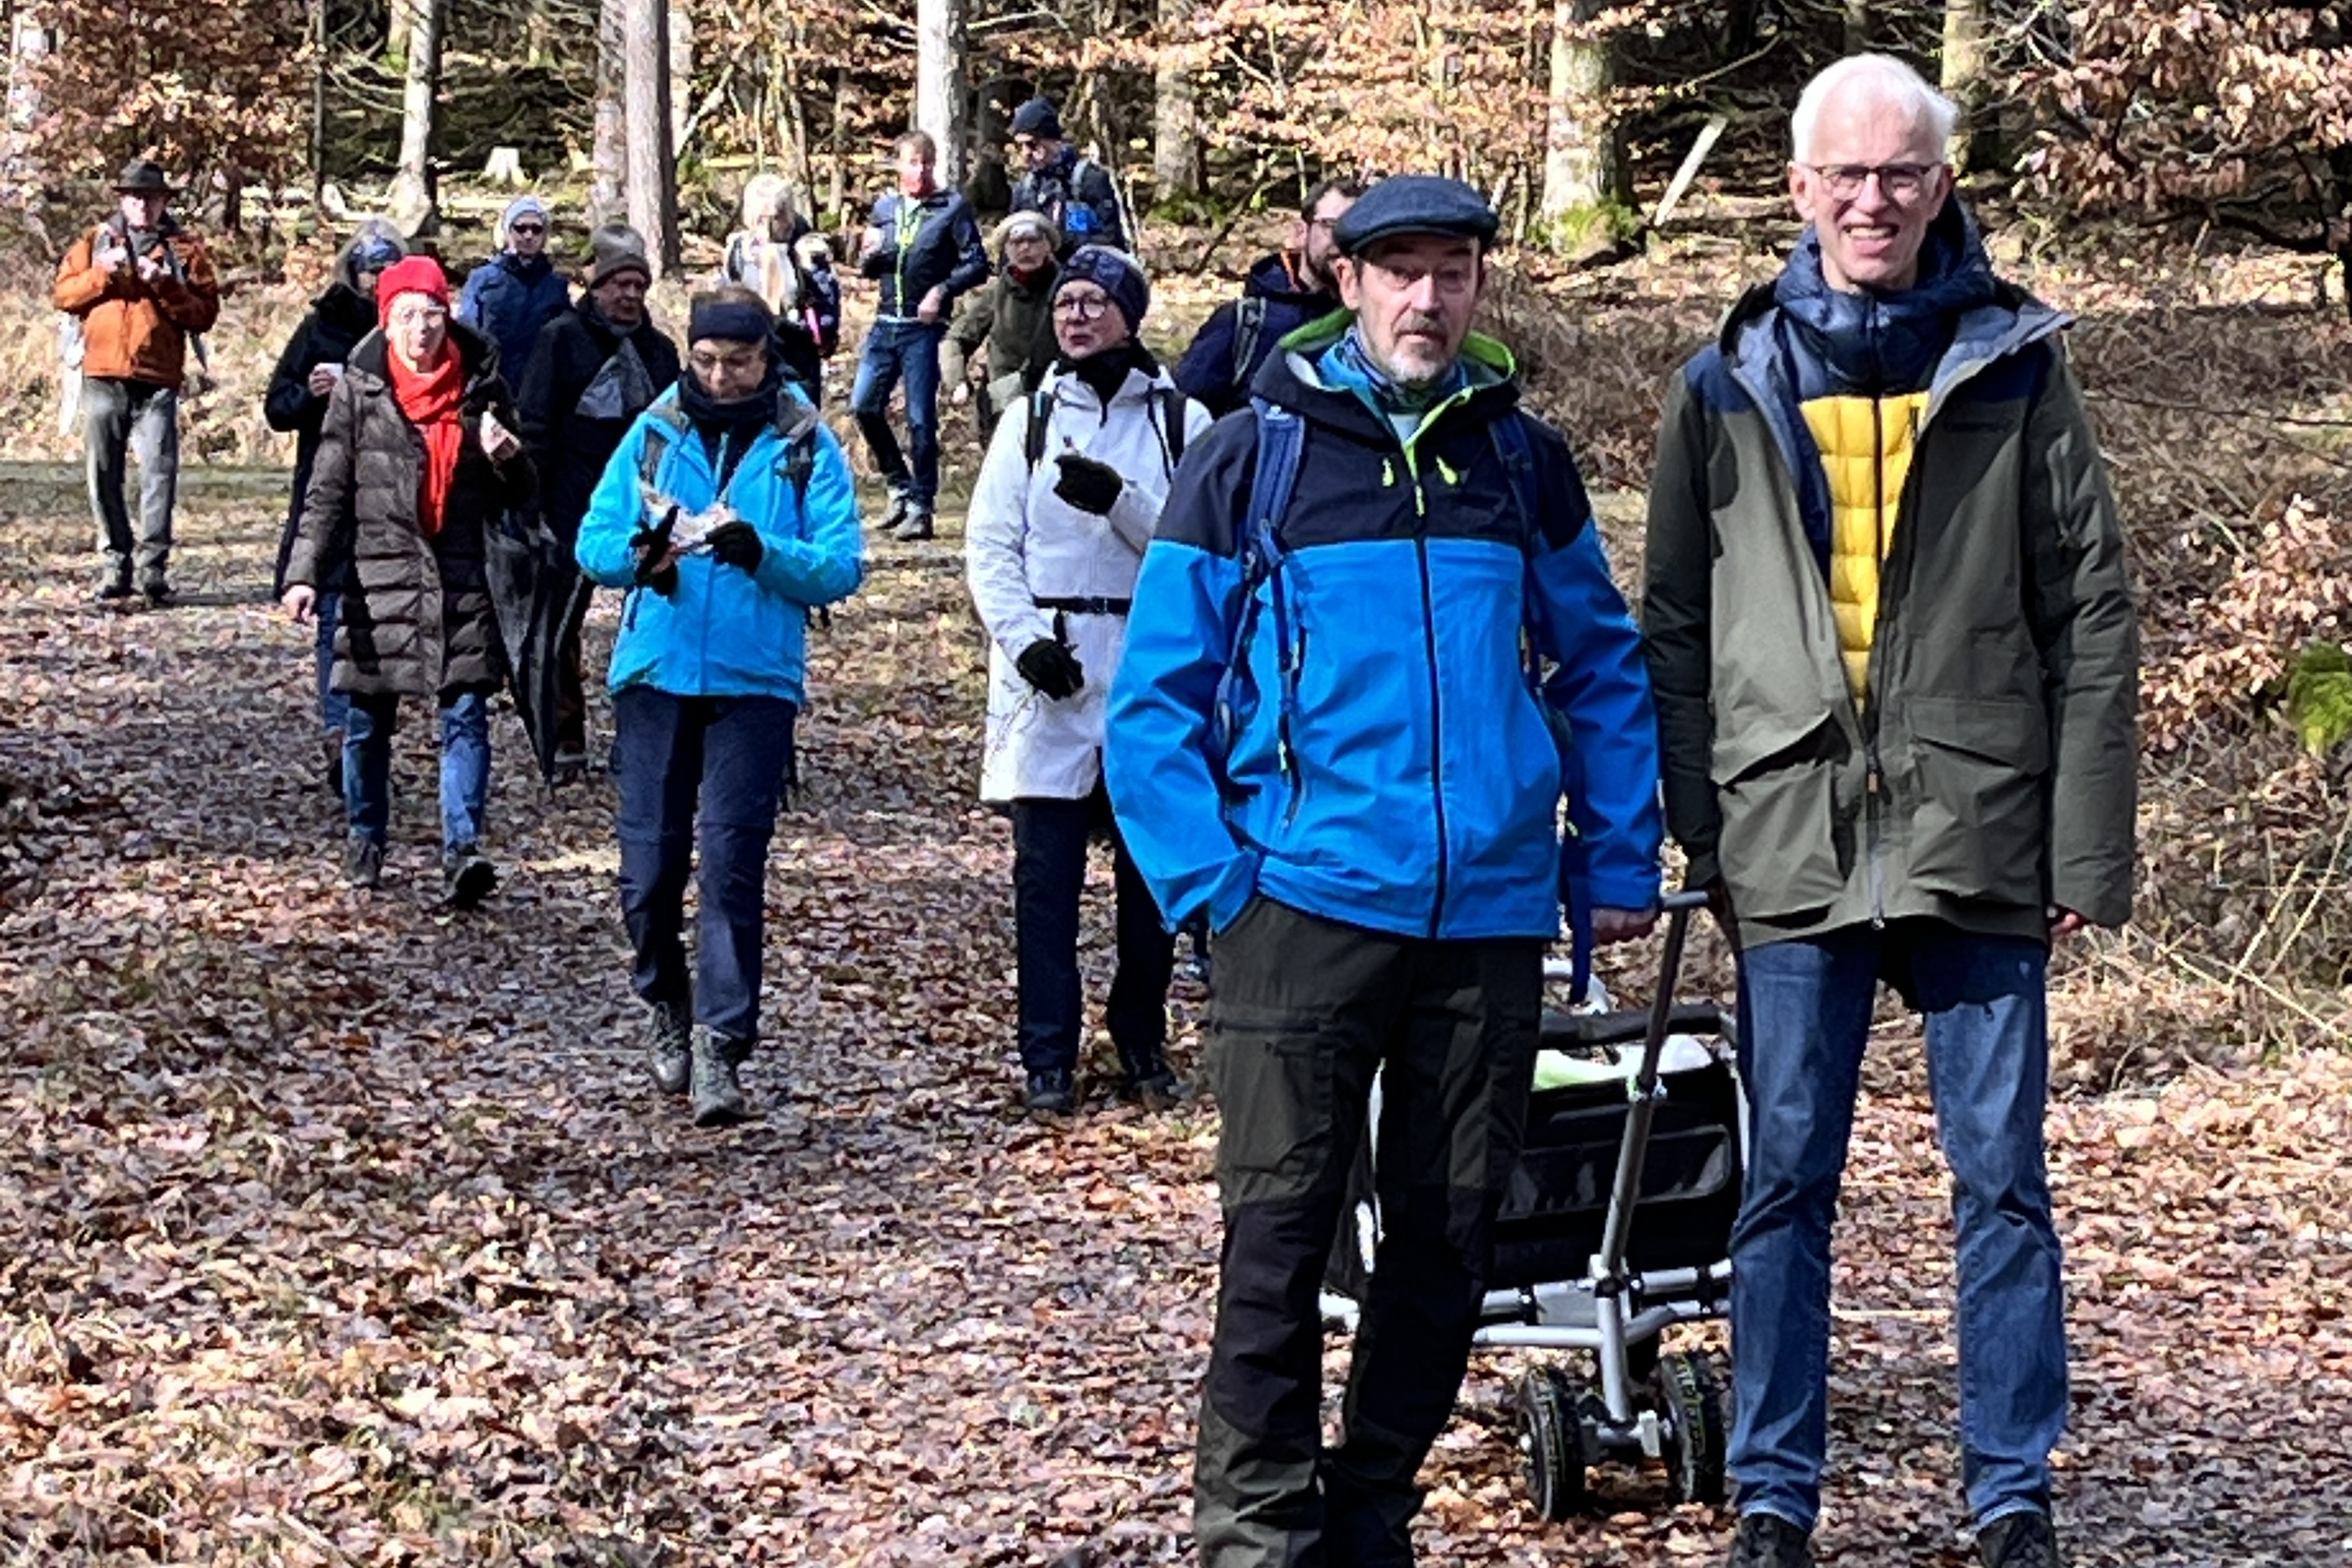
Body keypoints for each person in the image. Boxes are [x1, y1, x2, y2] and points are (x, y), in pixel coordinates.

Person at [1105, 176, 1664, 1567]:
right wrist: (1212, 888)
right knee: (1277, 1238)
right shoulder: (1252, 458)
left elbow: (1596, 660)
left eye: (1453, 272)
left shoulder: (1519, 462)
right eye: (1397, 270)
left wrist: (1611, 852)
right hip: (1294, 907)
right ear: (1342, 280)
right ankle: (1255, 1529)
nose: (1426, 298)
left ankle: (1369, 1513)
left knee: (1445, 1242)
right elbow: (1153, 703)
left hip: (1481, 916)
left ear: (1481, 286)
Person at [1640, 55, 2137, 1568]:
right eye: (1846, 176)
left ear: (1940, 183)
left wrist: (2084, 846)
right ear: (1798, 190)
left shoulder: (2019, 365)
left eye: (1902, 173)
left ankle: (2012, 1495)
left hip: (1978, 827)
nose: (1873, 200)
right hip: (1792, 833)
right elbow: (1671, 620)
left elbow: (2096, 611)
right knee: (1784, 1176)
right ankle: (1777, 1496)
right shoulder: (1724, 379)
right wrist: (1704, 831)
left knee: (2002, 1182)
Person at [575, 287, 865, 1127]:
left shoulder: (805, 441)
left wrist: (764, 552)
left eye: (737, 361)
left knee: (732, 866)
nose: (721, 375)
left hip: (755, 679)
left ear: (765, 358)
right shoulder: (656, 432)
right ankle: (664, 999)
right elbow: (592, 540)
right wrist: (642, 557)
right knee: (649, 872)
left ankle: (720, 1044)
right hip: (656, 670)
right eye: (706, 360)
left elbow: (842, 564)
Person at [967, 246, 1210, 1115]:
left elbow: (1199, 551)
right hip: (1050, 670)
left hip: (1147, 666)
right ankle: (1046, 1053)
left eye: (1094, 301)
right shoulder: (1026, 420)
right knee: (1046, 880)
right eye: (1065, 301)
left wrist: (1121, 501)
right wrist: (1026, 639)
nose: (1074, 315)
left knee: (1149, 882)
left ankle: (1141, 1036)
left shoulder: (1185, 423)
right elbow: (990, 546)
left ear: (1130, 313)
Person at [281, 256, 534, 905]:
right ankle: (366, 839)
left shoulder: (484, 386)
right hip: (378, 573)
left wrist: (508, 458)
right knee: (367, 722)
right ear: (386, 323)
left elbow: (522, 491)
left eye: (433, 314)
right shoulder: (360, 393)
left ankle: (463, 850)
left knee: (466, 713)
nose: (423, 329)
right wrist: (303, 575)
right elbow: (326, 491)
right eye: (408, 316)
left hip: (460, 572)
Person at [515, 223, 682, 781]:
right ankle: (563, 740)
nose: (629, 295)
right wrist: (532, 501)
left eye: (638, 284)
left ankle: (643, 739)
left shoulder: (660, 353)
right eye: (618, 284)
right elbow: (535, 424)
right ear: (595, 285)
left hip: (650, 508)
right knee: (561, 627)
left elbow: (678, 433)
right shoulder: (560, 340)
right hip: (572, 504)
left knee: (655, 618)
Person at [264, 219, 407, 793]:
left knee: (386, 616)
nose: (377, 281)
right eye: (370, 269)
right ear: (352, 271)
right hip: (327, 486)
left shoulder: (414, 328)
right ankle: (337, 730)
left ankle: (369, 736)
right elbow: (277, 407)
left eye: (388, 270)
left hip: (394, 486)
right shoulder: (319, 327)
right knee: (331, 612)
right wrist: (312, 397)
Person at [53, 158, 221, 606]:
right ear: (122, 201)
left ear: (164, 201)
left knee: (158, 475)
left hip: (158, 379)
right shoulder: (93, 243)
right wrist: (102, 273)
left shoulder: (185, 251)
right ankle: (115, 564)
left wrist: (166, 285)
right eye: (133, 198)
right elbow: (63, 296)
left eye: (149, 198)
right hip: (102, 374)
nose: (141, 206)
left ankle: (152, 571)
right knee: (102, 474)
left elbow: (204, 316)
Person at [852, 130, 989, 542]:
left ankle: (923, 506)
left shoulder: (951, 208)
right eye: (913, 163)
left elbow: (978, 263)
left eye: (928, 163)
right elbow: (870, 268)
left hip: (923, 330)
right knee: (864, 406)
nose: (921, 171)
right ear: (898, 167)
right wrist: (866, 255)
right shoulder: (885, 209)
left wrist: (943, 290)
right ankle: (898, 485)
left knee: (920, 420)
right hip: (884, 324)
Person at [1174, 180, 1360, 419]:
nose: (1343, 243)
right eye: (1332, 226)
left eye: (1355, 232)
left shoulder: (1372, 327)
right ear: (1301, 232)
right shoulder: (1244, 324)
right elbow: (1186, 423)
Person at [719, 173, 842, 407]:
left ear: (787, 216)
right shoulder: (740, 250)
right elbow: (725, 298)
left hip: (796, 353)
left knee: (798, 424)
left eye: (773, 218)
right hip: (748, 351)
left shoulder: (807, 252)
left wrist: (802, 329)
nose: (766, 228)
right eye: (759, 220)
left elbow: (827, 311)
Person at [943, 211, 1062, 445]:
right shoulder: (996, 292)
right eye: (1016, 242)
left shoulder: (1069, 289)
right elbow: (955, 338)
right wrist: (957, 381)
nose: (1025, 248)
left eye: (1033, 240)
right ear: (1006, 250)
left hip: (1059, 399)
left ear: (1048, 245)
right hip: (1004, 400)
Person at [457, 195, 570, 381]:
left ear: (544, 236)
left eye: (536, 229)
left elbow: (564, 340)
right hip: (492, 381)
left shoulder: (556, 286)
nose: (528, 235)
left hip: (539, 384)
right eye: (520, 228)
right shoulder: (482, 280)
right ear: (508, 232)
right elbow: (467, 333)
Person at [1008, 97, 1128, 257]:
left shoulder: (1089, 179)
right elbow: (1010, 246)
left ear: (1052, 140)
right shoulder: (1026, 190)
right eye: (1019, 146)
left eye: (1032, 144)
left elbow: (1111, 240)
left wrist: (1062, 242)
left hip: (1085, 272)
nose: (1025, 154)